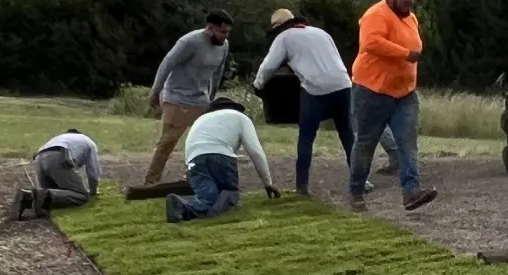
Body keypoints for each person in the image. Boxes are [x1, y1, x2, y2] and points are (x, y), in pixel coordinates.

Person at [255, 8, 360, 198]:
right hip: (343, 84)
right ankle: (360, 180)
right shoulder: (321, 33)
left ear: (279, 28)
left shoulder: (284, 38)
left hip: (316, 89)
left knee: (306, 136)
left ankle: (301, 185)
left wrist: (258, 85)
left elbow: (268, 66)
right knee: (347, 134)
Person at [347, 0, 439, 212]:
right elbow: (371, 42)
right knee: (365, 144)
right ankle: (356, 191)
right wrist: (405, 54)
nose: (409, 3)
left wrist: (410, 54)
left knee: (408, 143)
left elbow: (415, 45)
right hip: (371, 91)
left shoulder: (411, 18)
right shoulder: (376, 14)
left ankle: (411, 192)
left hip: (405, 93)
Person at [144, 10, 235, 186]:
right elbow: (166, 64)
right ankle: (151, 181)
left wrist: (212, 95)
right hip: (177, 97)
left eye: (228, 32)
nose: (225, 36)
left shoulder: (224, 45)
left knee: (204, 140)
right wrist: (155, 91)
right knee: (168, 141)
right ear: (209, 28)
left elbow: (218, 71)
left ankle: (196, 178)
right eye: (222, 31)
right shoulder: (189, 42)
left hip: (201, 98)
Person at [165, 97, 282, 223]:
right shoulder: (240, 117)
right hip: (221, 156)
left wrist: (189, 174)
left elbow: (191, 146)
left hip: (194, 160)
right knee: (230, 194)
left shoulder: (201, 120)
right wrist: (268, 183)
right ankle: (217, 212)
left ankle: (182, 207)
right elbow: (256, 152)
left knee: (207, 198)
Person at [12, 129, 102, 221]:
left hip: (39, 158)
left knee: (49, 196)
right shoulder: (88, 142)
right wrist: (93, 191)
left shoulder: (58, 139)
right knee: (81, 195)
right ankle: (42, 195)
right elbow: (93, 171)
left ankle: (27, 197)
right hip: (61, 157)